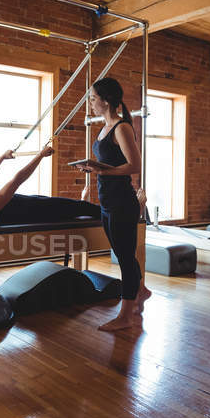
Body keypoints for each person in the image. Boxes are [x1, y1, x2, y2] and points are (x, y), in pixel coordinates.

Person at [81, 76, 151, 331]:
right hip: (107, 201)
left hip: (122, 202)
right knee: (124, 254)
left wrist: (101, 172)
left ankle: (126, 316)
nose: (90, 103)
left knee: (124, 258)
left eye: (93, 98)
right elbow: (111, 164)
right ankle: (140, 291)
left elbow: (134, 166)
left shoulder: (121, 128)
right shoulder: (103, 129)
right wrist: (93, 168)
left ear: (106, 101)